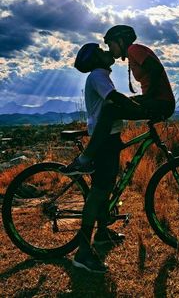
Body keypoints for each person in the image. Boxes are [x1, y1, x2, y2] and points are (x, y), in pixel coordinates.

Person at [62, 25, 175, 175]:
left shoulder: (134, 49)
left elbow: (156, 68)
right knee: (115, 104)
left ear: (121, 41)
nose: (110, 49)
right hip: (159, 101)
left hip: (160, 102)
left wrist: (147, 98)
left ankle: (85, 159)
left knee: (110, 109)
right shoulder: (133, 53)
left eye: (110, 44)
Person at [62, 43, 125, 273]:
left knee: (105, 188)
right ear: (96, 58)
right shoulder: (98, 75)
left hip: (110, 138)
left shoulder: (100, 75)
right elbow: (115, 99)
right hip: (104, 142)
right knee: (98, 193)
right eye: (100, 49)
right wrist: (141, 107)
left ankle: (102, 233)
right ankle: (83, 252)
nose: (106, 51)